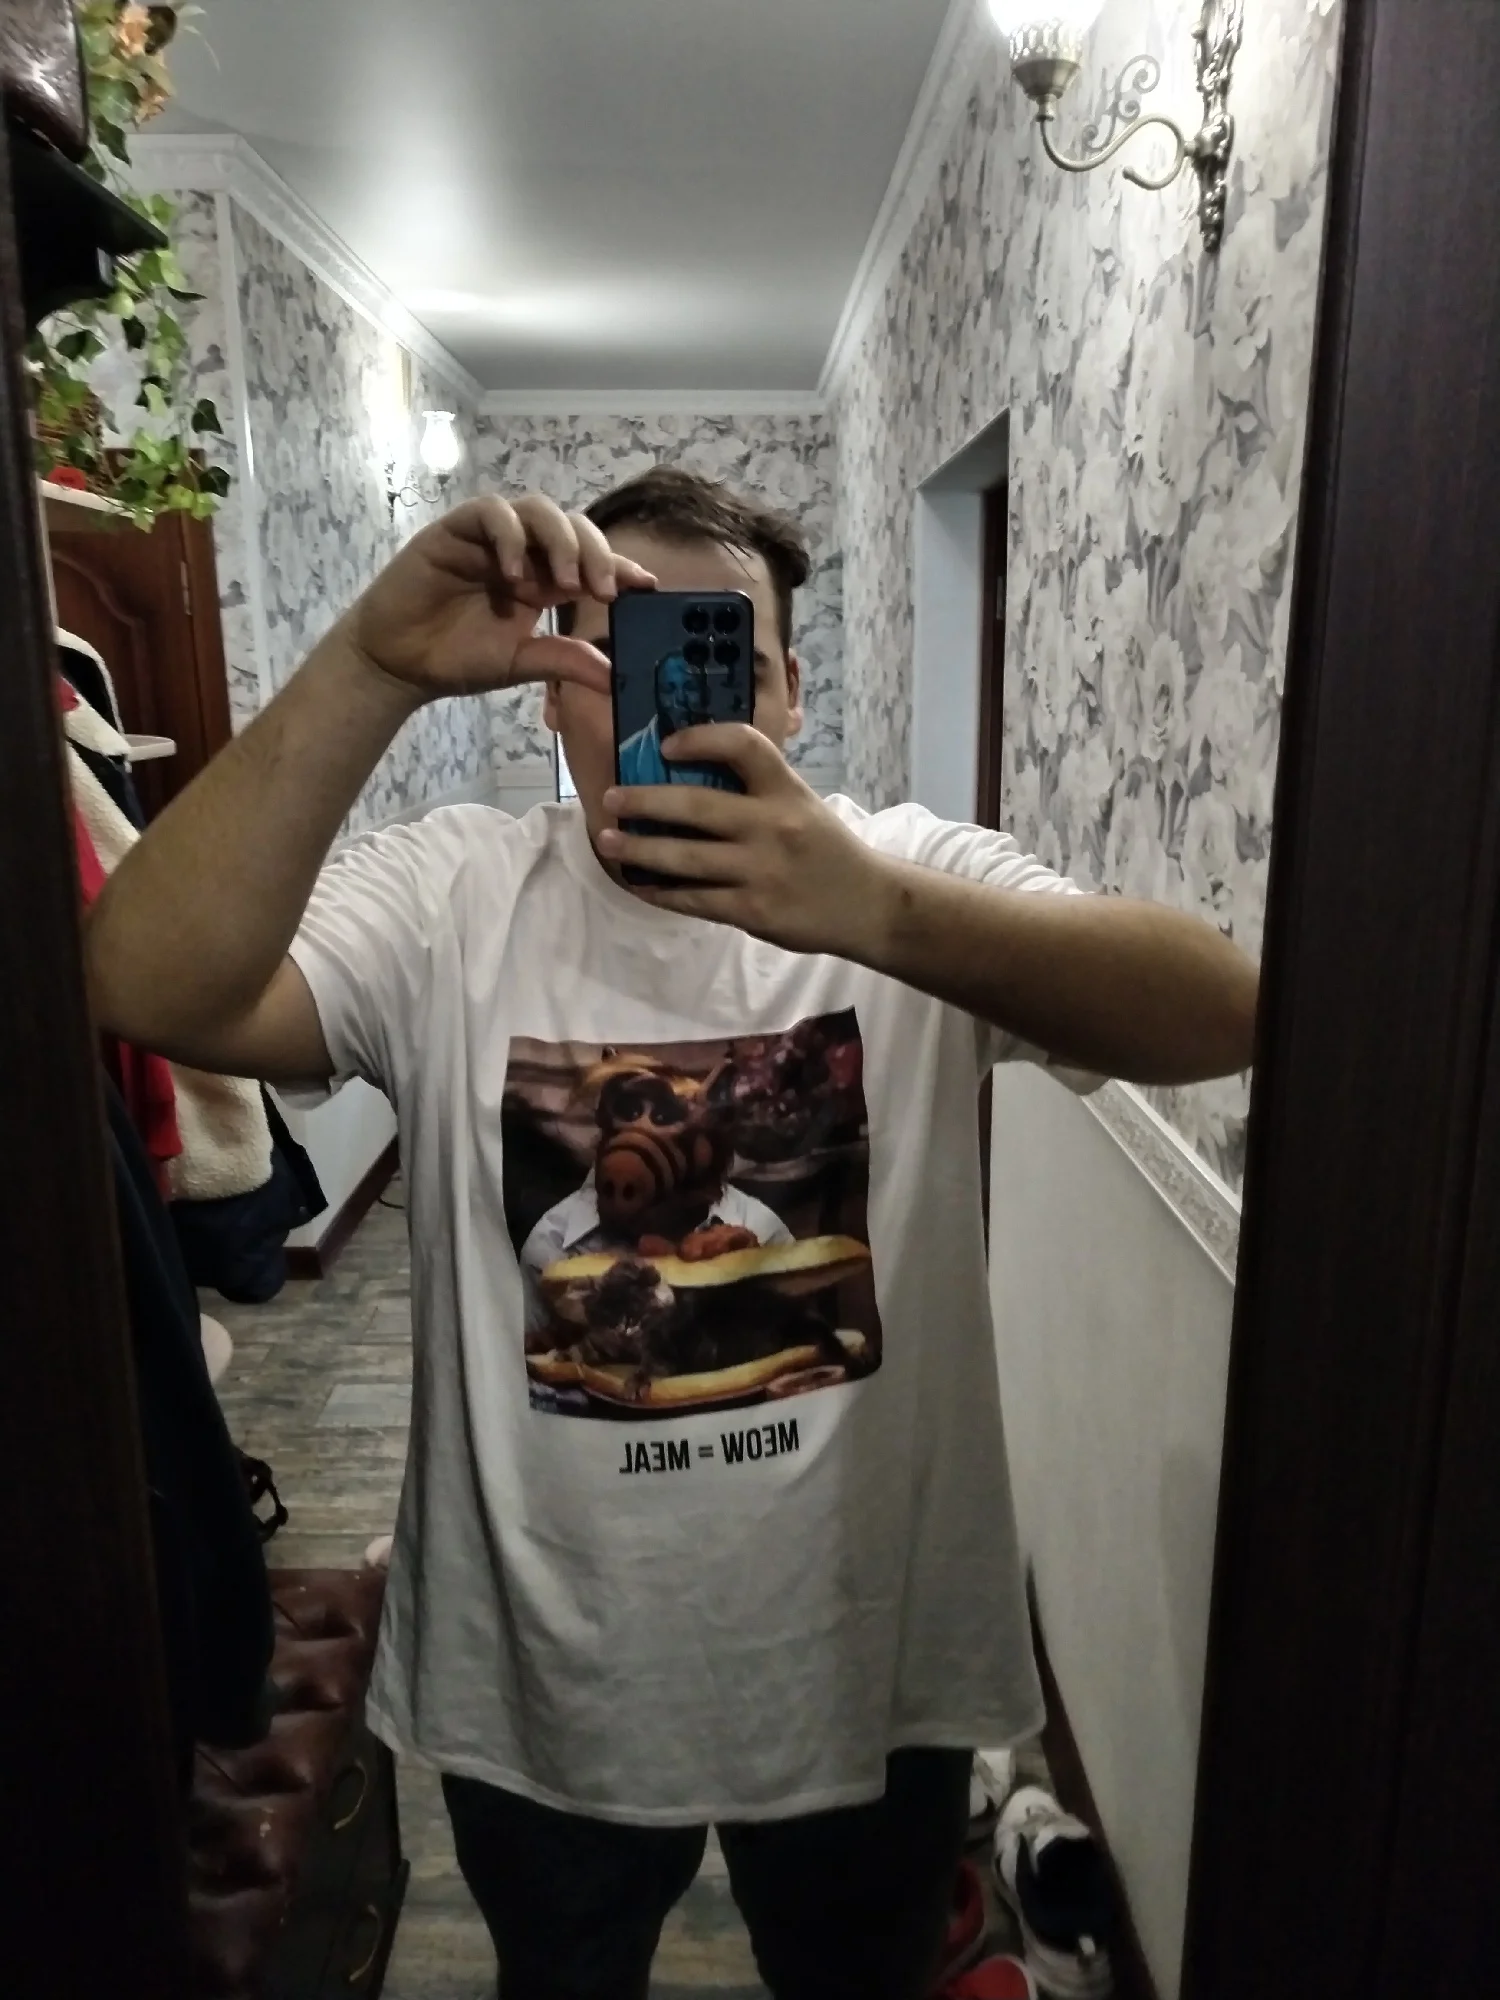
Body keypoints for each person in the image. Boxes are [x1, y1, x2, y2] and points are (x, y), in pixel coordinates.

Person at [85, 468, 1258, 2000]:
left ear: (785, 688)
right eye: (612, 648)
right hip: (541, 1679)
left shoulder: (906, 874)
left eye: (719, 652)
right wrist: (371, 662)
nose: (665, 692)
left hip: (867, 1662)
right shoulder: (451, 895)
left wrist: (874, 913)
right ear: (552, 689)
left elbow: (1219, 1008)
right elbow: (143, 983)